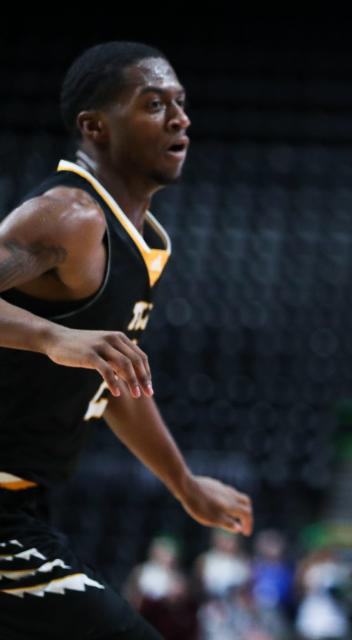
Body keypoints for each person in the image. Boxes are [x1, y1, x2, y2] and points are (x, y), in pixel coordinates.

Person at [0, 41, 253, 639]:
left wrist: (184, 484)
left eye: (181, 104)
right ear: (95, 127)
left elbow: (118, 387)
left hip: (27, 502)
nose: (180, 119)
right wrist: (54, 337)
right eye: (153, 104)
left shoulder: (141, 241)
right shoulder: (69, 215)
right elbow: (72, 347)